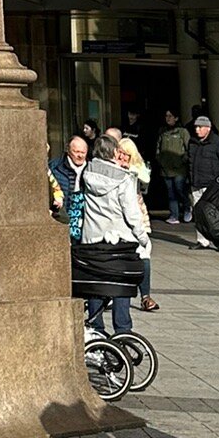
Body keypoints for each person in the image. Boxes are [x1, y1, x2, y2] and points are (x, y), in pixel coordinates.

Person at [76, 135, 149, 336]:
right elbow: (132, 214)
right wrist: (142, 237)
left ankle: (96, 329)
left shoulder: (86, 172)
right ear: (114, 152)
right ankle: (123, 331)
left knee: (95, 284)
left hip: (92, 239)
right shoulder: (124, 177)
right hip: (119, 241)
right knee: (120, 285)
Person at [106, 126, 158, 312]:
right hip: (115, 218)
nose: (121, 157)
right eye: (119, 153)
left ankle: (145, 296)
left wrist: (132, 168)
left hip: (137, 216)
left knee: (143, 254)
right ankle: (112, 295)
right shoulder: (109, 166)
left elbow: (145, 178)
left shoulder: (135, 167)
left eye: (125, 154)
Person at [187, 112, 219, 246]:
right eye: (196, 127)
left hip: (212, 183)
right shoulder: (192, 142)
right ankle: (202, 240)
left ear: (208, 128)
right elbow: (189, 162)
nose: (197, 130)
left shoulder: (217, 142)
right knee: (198, 212)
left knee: (215, 213)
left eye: (200, 127)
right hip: (196, 182)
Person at [49, 134, 90, 240]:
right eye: (76, 152)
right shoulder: (55, 167)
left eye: (83, 152)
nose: (80, 155)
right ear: (68, 150)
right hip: (64, 214)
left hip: (85, 218)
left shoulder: (91, 169)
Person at [157, 109, 192, 223]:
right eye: (166, 116)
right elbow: (158, 148)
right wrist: (159, 159)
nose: (168, 118)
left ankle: (187, 207)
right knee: (171, 192)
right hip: (166, 167)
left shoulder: (182, 132)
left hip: (179, 168)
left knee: (179, 189)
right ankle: (174, 215)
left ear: (176, 118)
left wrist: (183, 160)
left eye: (170, 116)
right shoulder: (163, 132)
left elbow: (189, 148)